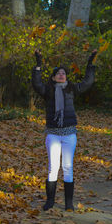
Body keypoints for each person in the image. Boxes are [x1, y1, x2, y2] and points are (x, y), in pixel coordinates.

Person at [32, 49, 97, 211]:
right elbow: (36, 84)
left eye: (64, 73)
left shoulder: (71, 89)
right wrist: (38, 65)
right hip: (53, 134)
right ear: (53, 78)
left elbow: (87, 83)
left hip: (69, 134)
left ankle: (69, 203)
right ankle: (50, 201)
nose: (62, 75)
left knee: (67, 167)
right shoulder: (48, 90)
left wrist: (90, 64)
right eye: (58, 73)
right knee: (53, 167)